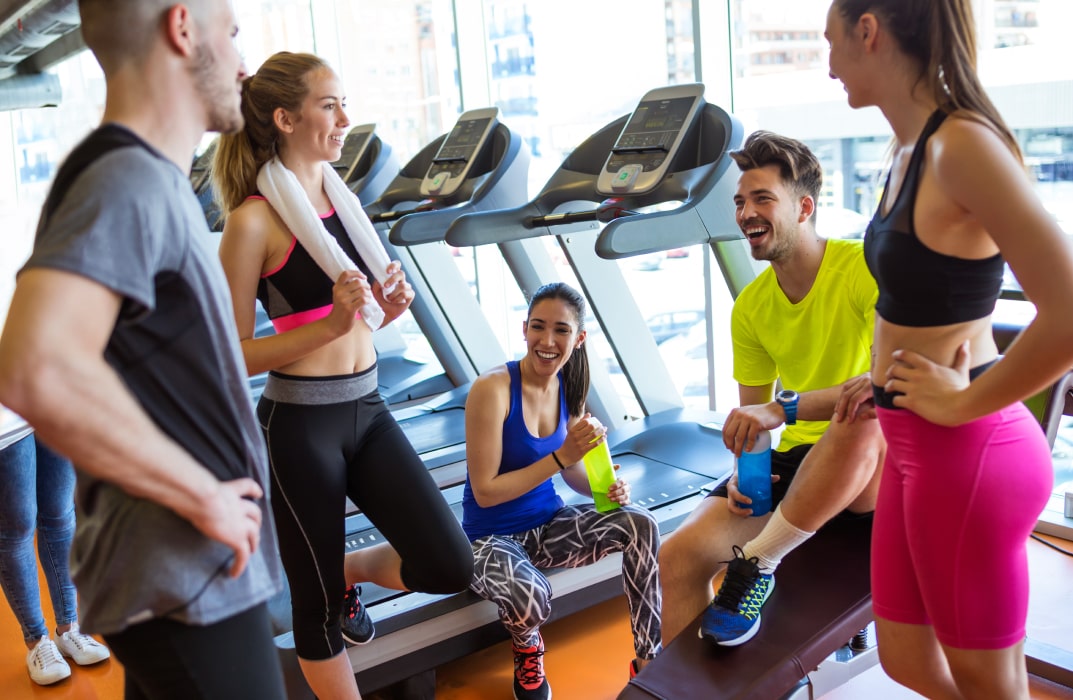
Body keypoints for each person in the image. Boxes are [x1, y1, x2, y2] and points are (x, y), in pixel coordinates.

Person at [0, 1, 289, 698]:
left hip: (186, 576)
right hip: (182, 575)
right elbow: (32, 367)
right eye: (233, 34)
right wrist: (201, 496)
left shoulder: (152, 180)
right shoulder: (123, 179)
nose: (244, 64)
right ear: (182, 26)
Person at [825, 2, 1073, 697]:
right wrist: (871, 377)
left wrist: (965, 403)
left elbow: (1068, 310)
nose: (827, 63)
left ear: (867, 30)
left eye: (830, 42)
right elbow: (922, 296)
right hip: (908, 442)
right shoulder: (906, 151)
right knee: (905, 660)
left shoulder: (959, 145)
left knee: (989, 683)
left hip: (966, 455)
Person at [212, 51, 474, 700]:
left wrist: (385, 311)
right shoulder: (251, 222)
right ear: (286, 117)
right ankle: (330, 583)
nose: (344, 119)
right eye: (330, 105)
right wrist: (332, 327)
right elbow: (227, 354)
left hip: (368, 407)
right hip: (299, 425)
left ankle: (346, 568)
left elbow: (355, 318)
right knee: (317, 608)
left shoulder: (341, 200)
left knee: (448, 562)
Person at [658, 131, 886, 647]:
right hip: (801, 461)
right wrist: (745, 474)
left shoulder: (860, 270)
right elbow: (750, 421)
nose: (746, 213)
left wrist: (783, 409)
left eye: (763, 198)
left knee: (864, 411)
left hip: (875, 466)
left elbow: (883, 387)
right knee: (676, 556)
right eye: (741, 201)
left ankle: (761, 565)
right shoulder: (752, 307)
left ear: (804, 207)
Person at [461, 282, 661, 700]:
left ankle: (648, 658)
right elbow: (485, 493)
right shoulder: (492, 389)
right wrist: (559, 457)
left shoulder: (567, 387)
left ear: (579, 338)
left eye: (561, 330)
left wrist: (606, 488)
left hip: (548, 527)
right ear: (524, 330)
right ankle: (527, 647)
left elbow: (571, 475)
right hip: (489, 540)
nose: (547, 341)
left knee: (642, 524)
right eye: (538, 327)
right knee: (531, 594)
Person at [0, 433, 110, 685]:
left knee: (60, 514)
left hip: (49, 403)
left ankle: (69, 628)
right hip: (5, 420)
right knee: (17, 527)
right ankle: (36, 640)